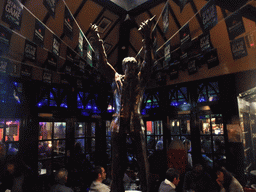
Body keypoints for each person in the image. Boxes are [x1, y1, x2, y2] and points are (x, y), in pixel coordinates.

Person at [90, 15, 155, 192]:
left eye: (135, 67)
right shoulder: (116, 79)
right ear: (124, 69)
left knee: (143, 161)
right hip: (117, 124)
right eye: (130, 67)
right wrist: (98, 42)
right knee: (116, 162)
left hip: (135, 122)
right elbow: (103, 64)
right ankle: (116, 189)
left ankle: (147, 189)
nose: (133, 70)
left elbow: (149, 63)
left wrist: (147, 39)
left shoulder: (140, 80)